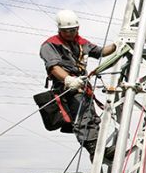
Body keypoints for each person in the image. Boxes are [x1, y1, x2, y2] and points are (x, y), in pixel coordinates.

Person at [39, 10, 116, 160]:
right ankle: (94, 150)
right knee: (83, 118)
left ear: (78, 28)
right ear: (59, 30)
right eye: (66, 31)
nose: (69, 34)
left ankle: (99, 148)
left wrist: (117, 45)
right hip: (67, 87)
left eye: (72, 30)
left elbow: (101, 52)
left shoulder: (81, 43)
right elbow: (54, 67)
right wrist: (68, 80)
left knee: (92, 117)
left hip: (82, 86)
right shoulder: (51, 45)